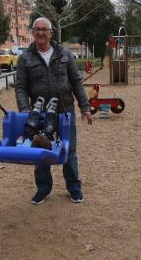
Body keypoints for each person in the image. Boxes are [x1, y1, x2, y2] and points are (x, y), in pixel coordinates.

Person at [15, 17, 93, 205]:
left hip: (65, 111)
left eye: (45, 29)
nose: (41, 33)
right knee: (40, 151)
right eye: (37, 29)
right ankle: (43, 188)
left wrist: (85, 107)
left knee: (69, 151)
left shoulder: (64, 54)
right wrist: (25, 109)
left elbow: (76, 82)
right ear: (32, 32)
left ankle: (74, 188)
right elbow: (21, 87)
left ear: (51, 33)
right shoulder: (25, 58)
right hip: (39, 114)